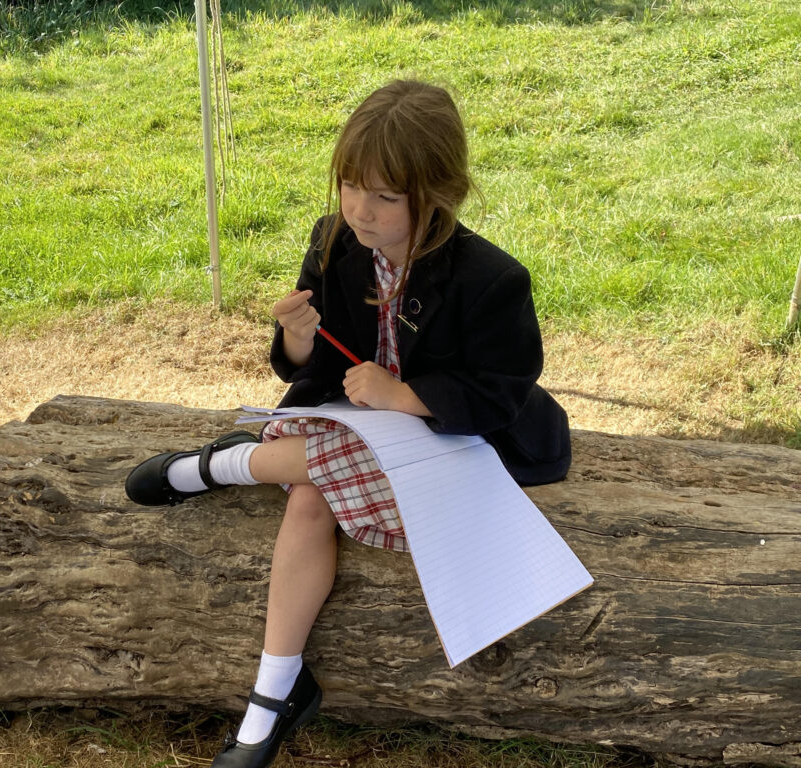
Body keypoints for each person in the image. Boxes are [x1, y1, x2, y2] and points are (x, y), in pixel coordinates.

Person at [125, 79, 571, 768]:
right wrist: (300, 336)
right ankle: (276, 690)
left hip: (460, 441)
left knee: (312, 481)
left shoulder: (492, 280)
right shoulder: (335, 240)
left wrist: (404, 396)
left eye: (386, 197)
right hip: (355, 422)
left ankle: (220, 466)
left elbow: (502, 391)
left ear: (441, 192)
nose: (361, 210)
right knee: (310, 499)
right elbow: (302, 364)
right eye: (351, 186)